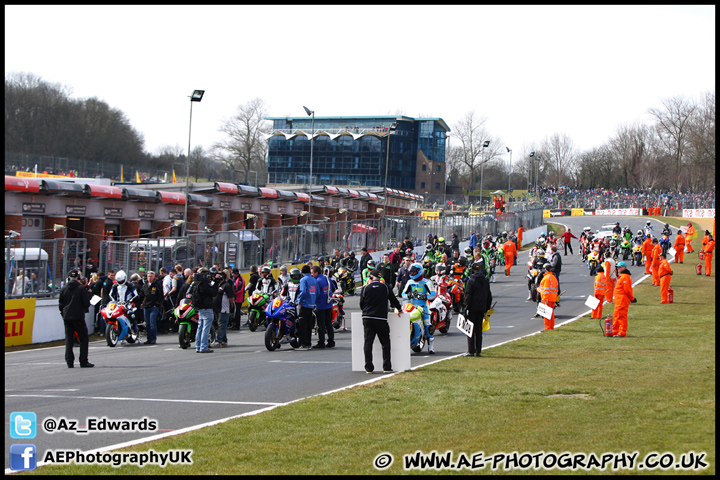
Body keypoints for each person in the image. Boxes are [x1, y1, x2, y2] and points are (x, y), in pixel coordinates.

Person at [359, 269, 402, 373]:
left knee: (368, 343)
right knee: (385, 342)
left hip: (367, 317)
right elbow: (393, 299)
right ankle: (386, 367)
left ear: (370, 278)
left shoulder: (365, 288)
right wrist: (399, 309)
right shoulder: (385, 287)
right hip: (381, 318)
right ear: (379, 278)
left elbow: (361, 304)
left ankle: (368, 367)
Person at [58, 269, 93, 368]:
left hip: (67, 316)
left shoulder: (64, 288)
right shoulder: (81, 289)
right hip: (78, 316)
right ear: (77, 278)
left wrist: (63, 314)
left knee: (69, 339)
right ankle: (83, 361)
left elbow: (61, 304)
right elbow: (86, 303)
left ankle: (69, 361)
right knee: (83, 338)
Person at [401, 262, 437, 354]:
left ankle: (431, 347)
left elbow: (433, 294)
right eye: (411, 272)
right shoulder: (410, 282)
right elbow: (403, 293)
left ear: (419, 271)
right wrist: (409, 295)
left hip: (423, 307)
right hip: (412, 306)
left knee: (427, 324)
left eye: (414, 272)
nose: (412, 274)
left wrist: (424, 296)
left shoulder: (427, 282)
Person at [463, 261, 492, 357]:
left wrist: (465, 308)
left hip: (472, 308)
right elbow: (489, 296)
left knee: (470, 329)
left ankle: (471, 350)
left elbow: (468, 296)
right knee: (479, 330)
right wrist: (487, 308)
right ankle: (478, 351)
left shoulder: (471, 281)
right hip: (481, 308)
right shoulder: (485, 281)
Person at [194, 268, 220, 353]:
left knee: (200, 328)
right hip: (207, 308)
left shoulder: (196, 284)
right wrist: (216, 282)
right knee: (205, 328)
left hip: (201, 308)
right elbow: (213, 293)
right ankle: (203, 347)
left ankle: (198, 346)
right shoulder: (204, 284)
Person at [312, 265, 335, 349]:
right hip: (328, 303)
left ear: (316, 273)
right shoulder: (327, 278)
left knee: (321, 325)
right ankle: (331, 341)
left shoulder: (317, 281)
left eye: (312, 273)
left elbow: (316, 293)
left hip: (320, 305)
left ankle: (321, 342)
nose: (311, 275)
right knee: (329, 323)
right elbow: (333, 287)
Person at [611, 262, 636, 337]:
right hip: (619, 300)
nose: (618, 268)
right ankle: (615, 331)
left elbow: (627, 290)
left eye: (620, 267)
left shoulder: (625, 277)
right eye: (618, 267)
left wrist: (632, 298)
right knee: (616, 316)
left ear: (624, 267)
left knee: (621, 316)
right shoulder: (622, 276)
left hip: (622, 300)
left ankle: (622, 332)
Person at [296, 265, 318, 350]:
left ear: (302, 272)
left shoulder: (303, 280)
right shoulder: (314, 280)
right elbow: (318, 292)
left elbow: (303, 292)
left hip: (304, 304)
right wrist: (313, 300)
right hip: (311, 304)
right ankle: (308, 343)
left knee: (302, 325)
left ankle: (303, 343)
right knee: (309, 325)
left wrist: (300, 302)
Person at [212, 271, 235, 347]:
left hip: (223, 308)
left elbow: (231, 297)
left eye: (219, 277)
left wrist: (231, 304)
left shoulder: (227, 285)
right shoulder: (216, 285)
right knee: (219, 325)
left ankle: (219, 341)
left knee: (221, 325)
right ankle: (224, 340)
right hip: (216, 308)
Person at [140, 271, 163, 344]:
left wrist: (157, 304)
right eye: (148, 276)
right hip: (146, 306)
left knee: (152, 322)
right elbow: (141, 294)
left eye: (151, 276)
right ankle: (148, 338)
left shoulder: (157, 284)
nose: (149, 278)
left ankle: (153, 338)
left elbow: (161, 296)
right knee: (147, 324)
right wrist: (141, 303)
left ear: (154, 277)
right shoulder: (145, 284)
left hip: (154, 306)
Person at [537, 263, 559, 330]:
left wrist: (545, 299)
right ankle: (551, 327)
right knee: (551, 313)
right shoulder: (553, 277)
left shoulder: (547, 278)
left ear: (546, 270)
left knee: (546, 314)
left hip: (547, 298)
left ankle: (547, 327)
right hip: (553, 298)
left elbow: (546, 290)